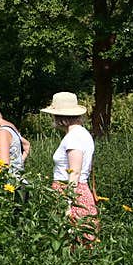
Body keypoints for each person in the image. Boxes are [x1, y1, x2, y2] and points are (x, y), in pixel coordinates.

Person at [40, 91, 99, 244]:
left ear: (60, 117)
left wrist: (67, 204)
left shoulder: (74, 137)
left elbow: (74, 172)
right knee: (80, 244)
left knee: (73, 243)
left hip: (72, 194)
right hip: (76, 191)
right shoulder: (81, 134)